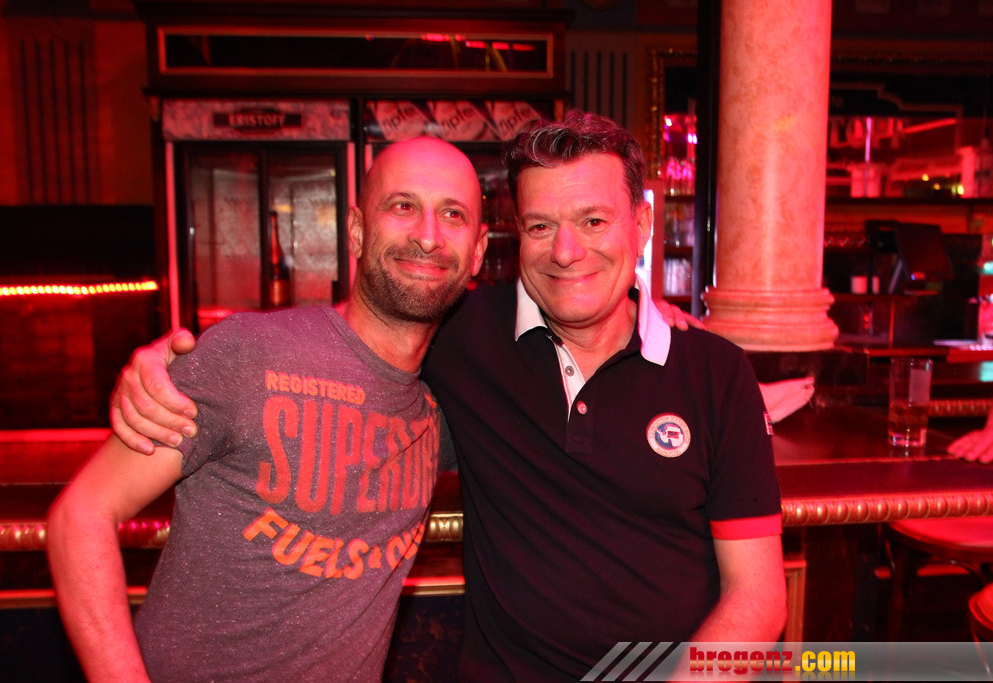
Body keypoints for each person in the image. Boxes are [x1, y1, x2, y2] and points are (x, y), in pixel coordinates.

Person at [111, 112, 788, 679]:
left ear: (641, 225)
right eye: (541, 225)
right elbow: (352, 341)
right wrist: (163, 364)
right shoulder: (460, 335)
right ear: (509, 240)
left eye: (593, 221)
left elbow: (759, 598)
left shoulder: (714, 373)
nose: (566, 251)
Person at [46, 135, 489, 681]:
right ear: (356, 230)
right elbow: (80, 517)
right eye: (403, 206)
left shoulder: (443, 404)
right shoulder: (248, 353)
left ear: (478, 250)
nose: (427, 235)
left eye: (452, 214)